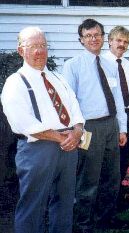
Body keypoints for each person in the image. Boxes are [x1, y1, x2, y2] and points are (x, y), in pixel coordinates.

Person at [1, 26, 85, 233]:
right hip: (38, 150)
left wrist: (77, 131)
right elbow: (21, 122)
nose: (39, 51)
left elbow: (75, 108)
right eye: (33, 47)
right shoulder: (15, 82)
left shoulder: (58, 78)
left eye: (43, 46)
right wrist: (61, 137)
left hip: (69, 147)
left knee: (64, 203)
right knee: (32, 206)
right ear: (21, 51)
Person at [62, 19, 129, 232]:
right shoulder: (72, 65)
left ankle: (105, 220)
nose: (94, 39)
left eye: (97, 34)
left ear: (103, 37)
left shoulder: (111, 65)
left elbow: (118, 99)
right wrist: (76, 129)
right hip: (88, 128)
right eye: (88, 35)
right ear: (81, 40)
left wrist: (122, 128)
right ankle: (84, 225)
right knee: (88, 179)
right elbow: (68, 101)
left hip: (110, 125)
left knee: (112, 178)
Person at [102, 26, 129, 209]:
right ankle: (102, 204)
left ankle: (115, 202)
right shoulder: (100, 62)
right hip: (108, 117)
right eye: (119, 40)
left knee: (123, 161)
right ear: (109, 41)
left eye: (125, 42)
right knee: (107, 162)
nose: (122, 45)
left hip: (126, 115)